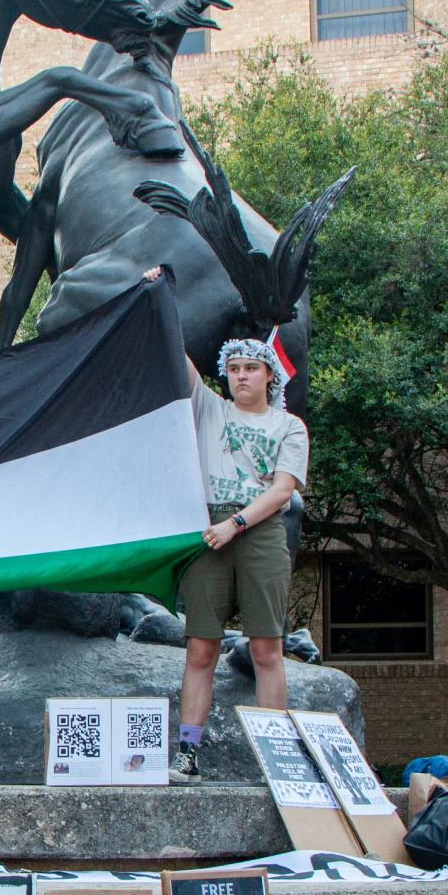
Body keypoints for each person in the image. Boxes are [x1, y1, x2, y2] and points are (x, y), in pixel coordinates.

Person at [173, 320, 308, 782]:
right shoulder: (211, 408)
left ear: (269, 374)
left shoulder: (289, 426)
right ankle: (188, 753)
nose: (241, 376)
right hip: (210, 527)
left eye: (251, 367)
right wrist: (161, 297)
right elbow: (180, 358)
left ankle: (273, 756)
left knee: (267, 647)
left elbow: (283, 490)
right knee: (200, 647)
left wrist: (236, 525)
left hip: (260, 530)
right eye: (233, 368)